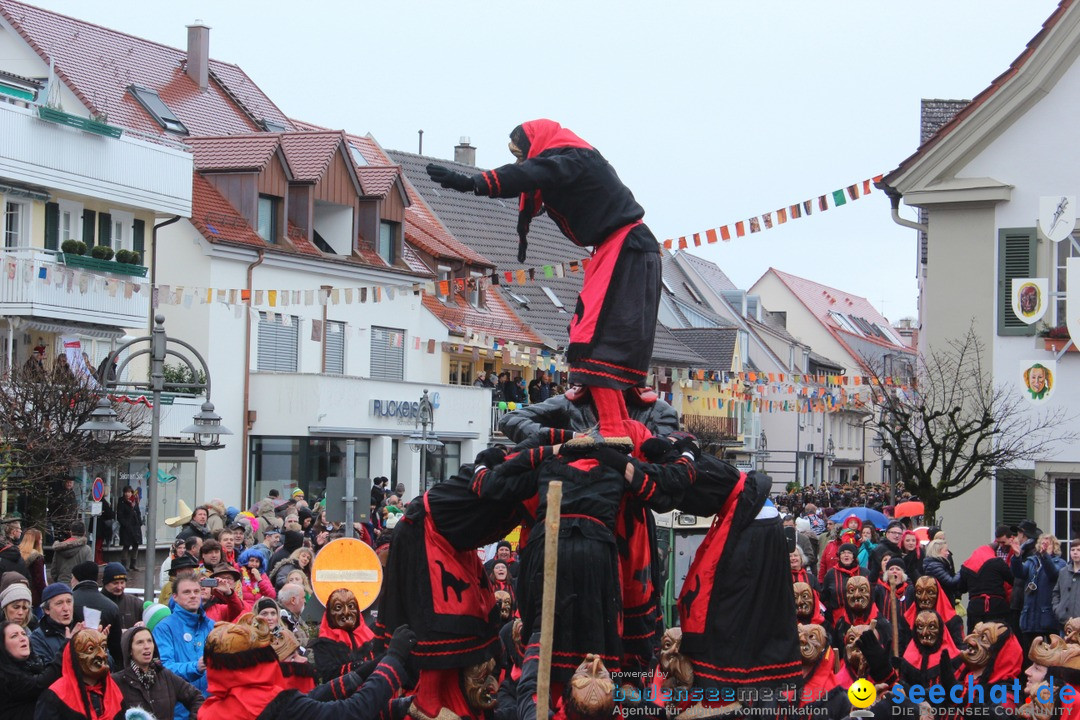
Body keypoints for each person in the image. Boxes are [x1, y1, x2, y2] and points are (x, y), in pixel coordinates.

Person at [428, 120, 663, 440]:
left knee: (595, 338)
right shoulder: (572, 160)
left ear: (538, 146)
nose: (522, 163)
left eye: (523, 155)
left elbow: (531, 174)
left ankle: (612, 430)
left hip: (625, 249)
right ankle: (618, 420)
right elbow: (532, 174)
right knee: (598, 332)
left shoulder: (573, 159)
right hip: (624, 249)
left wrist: (474, 183)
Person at [197, 613, 415, 720]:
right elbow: (349, 712)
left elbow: (312, 698)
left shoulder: (213, 708)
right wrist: (392, 661)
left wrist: (372, 666)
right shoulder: (275, 704)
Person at [152, 576, 213, 720]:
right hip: (179, 710)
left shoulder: (212, 625)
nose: (193, 595)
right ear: (175, 597)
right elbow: (164, 668)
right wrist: (195, 667)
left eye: (196, 591)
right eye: (186, 592)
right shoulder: (164, 628)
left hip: (209, 708)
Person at [112, 626, 203, 720]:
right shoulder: (117, 681)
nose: (146, 646)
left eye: (149, 641)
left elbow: (197, 698)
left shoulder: (166, 675)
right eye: (140, 642)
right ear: (129, 650)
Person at [32, 627, 125, 720]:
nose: (102, 654)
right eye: (91, 649)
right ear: (74, 656)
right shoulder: (55, 696)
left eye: (103, 647)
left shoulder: (114, 691)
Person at [1014, 532, 1066, 656]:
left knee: (1049, 657)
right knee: (1030, 655)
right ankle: (1030, 676)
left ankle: (1050, 677)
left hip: (1048, 619)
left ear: (1055, 546)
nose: (1045, 545)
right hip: (1030, 618)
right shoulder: (1031, 562)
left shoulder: (1060, 563)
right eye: (1043, 542)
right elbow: (1019, 573)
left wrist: (1045, 556)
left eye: (1048, 543)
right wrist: (1016, 557)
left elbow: (1052, 573)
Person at [0, 620, 63, 720]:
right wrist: (66, 649)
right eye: (14, 636)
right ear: (3, 646)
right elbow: (39, 684)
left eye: (24, 634)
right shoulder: (5, 676)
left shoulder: (35, 665)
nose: (23, 639)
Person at [69, 562, 121, 667]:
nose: (70, 581)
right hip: (103, 663)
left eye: (72, 578)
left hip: (74, 661)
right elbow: (116, 646)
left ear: (76, 578)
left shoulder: (68, 602)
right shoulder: (112, 607)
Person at [961, 533, 1015, 633]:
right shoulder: (998, 562)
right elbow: (1012, 580)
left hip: (975, 607)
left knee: (975, 638)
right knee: (998, 637)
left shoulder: (966, 566)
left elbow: (962, 588)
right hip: (997, 606)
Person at [30, 583, 79, 664]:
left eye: (69, 602)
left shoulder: (83, 629)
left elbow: (106, 664)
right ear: (47, 609)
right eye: (59, 603)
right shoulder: (37, 638)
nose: (66, 608)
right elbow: (47, 672)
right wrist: (68, 647)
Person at [922, 538, 965, 605]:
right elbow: (951, 582)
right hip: (941, 603)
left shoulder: (935, 565)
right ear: (938, 551)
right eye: (946, 550)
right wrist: (962, 570)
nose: (948, 553)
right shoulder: (935, 566)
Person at [99, 564, 140, 631]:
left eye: (122, 582)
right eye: (115, 583)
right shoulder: (96, 603)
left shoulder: (135, 603)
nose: (119, 587)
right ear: (105, 583)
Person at [115, 486, 142, 572]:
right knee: (126, 545)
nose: (127, 494)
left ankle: (133, 564)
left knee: (135, 545)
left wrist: (139, 522)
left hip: (135, 527)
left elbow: (138, 512)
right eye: (126, 492)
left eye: (129, 492)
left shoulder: (135, 501)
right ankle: (124, 565)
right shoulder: (121, 501)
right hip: (126, 528)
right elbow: (119, 515)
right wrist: (125, 524)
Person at [19, 528, 46, 609]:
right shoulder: (37, 558)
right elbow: (39, 580)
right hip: (34, 597)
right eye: (40, 539)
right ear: (36, 541)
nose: (41, 542)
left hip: (19, 593)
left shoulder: (17, 554)